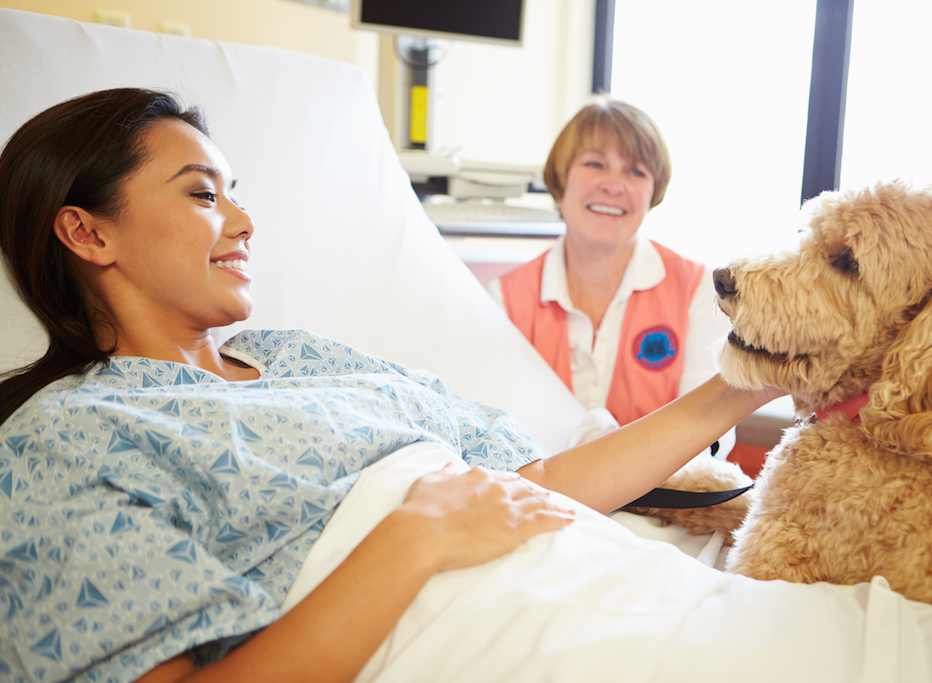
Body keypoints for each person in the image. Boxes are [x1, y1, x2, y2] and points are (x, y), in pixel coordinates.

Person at [0, 88, 780, 683]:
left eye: (236, 192)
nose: (243, 221)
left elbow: (532, 481)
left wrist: (746, 383)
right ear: (87, 231)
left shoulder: (298, 356)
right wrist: (416, 536)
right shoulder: (64, 437)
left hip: (618, 582)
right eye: (205, 193)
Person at [490, 99, 731, 447]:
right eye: (594, 164)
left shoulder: (701, 293)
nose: (613, 185)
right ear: (560, 179)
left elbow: (709, 439)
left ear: (653, 192)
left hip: (662, 499)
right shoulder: (503, 299)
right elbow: (493, 429)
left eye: (636, 171)